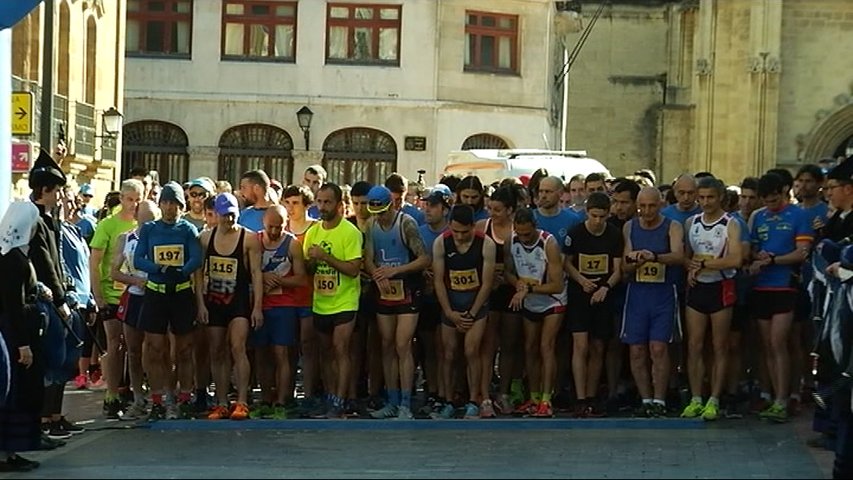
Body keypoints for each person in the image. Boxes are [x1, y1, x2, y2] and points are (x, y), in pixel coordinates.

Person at [747, 172, 813, 422]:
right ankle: (774, 396)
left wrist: (774, 260)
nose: (770, 205)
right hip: (761, 287)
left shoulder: (798, 216)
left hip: (785, 286)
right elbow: (752, 249)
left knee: (779, 342)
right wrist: (756, 257)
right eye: (766, 201)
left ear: (784, 193)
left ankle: (784, 399)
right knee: (766, 346)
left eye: (774, 200)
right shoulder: (759, 217)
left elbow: (801, 253)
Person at [135, 182, 203, 420]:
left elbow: (196, 257)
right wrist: (159, 267)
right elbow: (138, 258)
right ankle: (157, 399)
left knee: (184, 349)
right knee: (155, 349)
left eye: (173, 203)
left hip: (181, 293)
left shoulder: (187, 229)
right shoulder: (149, 229)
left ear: (180, 206)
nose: (169, 207)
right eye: (165, 202)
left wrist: (182, 270)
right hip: (156, 292)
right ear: (160, 204)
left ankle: (184, 397)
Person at [364, 185, 430, 419]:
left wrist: (396, 271)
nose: (380, 217)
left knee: (403, 344)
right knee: (387, 344)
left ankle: (405, 402)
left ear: (391, 205)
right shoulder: (371, 225)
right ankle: (391, 400)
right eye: (376, 213)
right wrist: (377, 274)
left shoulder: (406, 223)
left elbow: (424, 259)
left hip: (408, 288)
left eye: (383, 212)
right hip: (385, 290)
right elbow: (368, 258)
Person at [680, 177, 743, 421]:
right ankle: (696, 397)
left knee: (719, 346)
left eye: (711, 198)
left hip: (721, 286)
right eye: (702, 198)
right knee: (695, 345)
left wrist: (707, 264)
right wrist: (691, 268)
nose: (705, 202)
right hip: (698, 288)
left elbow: (736, 259)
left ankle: (715, 398)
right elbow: (686, 256)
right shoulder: (691, 222)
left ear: (720, 197)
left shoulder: (730, 223)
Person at [197, 193, 265, 420]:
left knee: (238, 347)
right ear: (216, 215)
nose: (229, 220)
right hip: (215, 301)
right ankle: (221, 400)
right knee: (217, 350)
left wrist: (257, 307)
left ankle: (243, 400)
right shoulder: (206, 238)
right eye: (225, 215)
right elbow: (198, 274)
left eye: (233, 215)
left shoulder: (249, 239)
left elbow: (256, 274)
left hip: (238, 302)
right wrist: (200, 304)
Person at [621, 187, 685, 417]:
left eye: (651, 206)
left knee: (658, 348)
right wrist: (635, 261)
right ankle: (645, 398)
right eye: (642, 206)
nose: (646, 211)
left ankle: (660, 400)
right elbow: (624, 266)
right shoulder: (630, 227)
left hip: (664, 293)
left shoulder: (673, 226)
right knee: (637, 349)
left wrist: (654, 256)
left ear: (660, 205)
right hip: (637, 293)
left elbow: (679, 256)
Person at [303, 183, 364, 418]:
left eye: (328, 202)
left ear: (339, 205)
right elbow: (308, 267)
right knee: (325, 352)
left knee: (341, 349)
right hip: (321, 301)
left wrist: (326, 256)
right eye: (319, 201)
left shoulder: (350, 233)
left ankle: (341, 398)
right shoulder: (313, 232)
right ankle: (330, 396)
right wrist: (310, 262)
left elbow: (353, 269)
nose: (322, 206)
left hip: (345, 301)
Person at [27, 149, 75, 448]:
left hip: (57, 297)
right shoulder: (35, 221)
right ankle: (43, 421)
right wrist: (58, 299)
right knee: (50, 361)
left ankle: (52, 416)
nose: (59, 196)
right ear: (44, 190)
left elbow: (57, 263)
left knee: (62, 360)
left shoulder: (48, 219)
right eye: (56, 190)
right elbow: (43, 263)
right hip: (43, 302)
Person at [432, 205, 496, 419]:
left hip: (476, 305)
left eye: (464, 232)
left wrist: (472, 313)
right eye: (455, 231)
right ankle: (448, 400)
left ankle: (473, 400)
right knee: (448, 353)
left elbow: (487, 283)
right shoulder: (441, 242)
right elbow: (439, 281)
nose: (459, 237)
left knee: (471, 351)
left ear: (472, 227)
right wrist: (449, 312)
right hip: (451, 304)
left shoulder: (486, 244)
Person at [563, 192, 624, 417]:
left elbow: (618, 268)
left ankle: (591, 395)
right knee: (580, 345)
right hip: (580, 293)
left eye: (602, 216)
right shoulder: (576, 233)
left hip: (603, 293)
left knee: (599, 346)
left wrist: (605, 287)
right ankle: (579, 397)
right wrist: (581, 280)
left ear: (608, 214)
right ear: (587, 213)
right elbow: (566, 263)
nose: (597, 221)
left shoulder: (614, 235)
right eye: (594, 216)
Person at [505, 207, 567, 418]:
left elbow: (557, 285)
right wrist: (518, 285)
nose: (523, 238)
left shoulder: (548, 243)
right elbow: (508, 272)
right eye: (519, 233)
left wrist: (527, 289)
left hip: (552, 300)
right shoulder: (511, 241)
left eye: (527, 234)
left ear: (535, 227)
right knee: (530, 347)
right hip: (529, 300)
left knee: (546, 346)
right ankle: (533, 396)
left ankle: (546, 400)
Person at [90, 179, 142, 418]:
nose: (133, 204)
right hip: (111, 294)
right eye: (129, 199)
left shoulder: (143, 224)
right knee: (115, 343)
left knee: (135, 345)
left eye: (137, 199)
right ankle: (111, 394)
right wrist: (97, 294)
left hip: (135, 294)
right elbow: (95, 261)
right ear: (121, 199)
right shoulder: (107, 225)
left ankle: (131, 390)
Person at [0, 202, 46, 472]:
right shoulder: (11, 260)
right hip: (13, 333)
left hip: (17, 330)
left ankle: (11, 450)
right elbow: (13, 305)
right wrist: (23, 344)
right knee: (12, 391)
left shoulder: (14, 255)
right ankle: (6, 452)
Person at [252, 206, 307, 418]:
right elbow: (248, 272)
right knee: (261, 353)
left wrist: (279, 280)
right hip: (260, 304)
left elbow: (301, 278)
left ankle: (282, 401)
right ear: (263, 223)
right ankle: (266, 398)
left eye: (279, 227)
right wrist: (260, 278)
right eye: (270, 227)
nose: (274, 231)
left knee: (282, 353)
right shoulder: (254, 240)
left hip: (285, 305)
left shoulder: (292, 244)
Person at [475, 185, 523, 415]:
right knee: (488, 345)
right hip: (489, 292)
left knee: (510, 345)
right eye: (490, 208)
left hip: (512, 291)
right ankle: (484, 396)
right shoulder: (482, 227)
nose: (492, 213)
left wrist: (511, 280)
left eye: (497, 210)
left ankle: (503, 394)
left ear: (510, 210)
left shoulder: (518, 230)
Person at [110, 200, 159, 420]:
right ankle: (138, 397)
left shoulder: (161, 238)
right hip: (135, 297)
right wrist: (134, 280)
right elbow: (114, 272)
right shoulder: (126, 239)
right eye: (145, 218)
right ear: (137, 217)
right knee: (133, 349)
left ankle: (159, 396)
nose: (148, 222)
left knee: (157, 349)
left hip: (158, 296)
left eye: (152, 219)